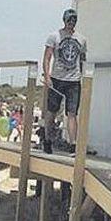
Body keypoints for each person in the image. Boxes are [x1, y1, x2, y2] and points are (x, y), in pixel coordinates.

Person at [43, 8, 87, 154]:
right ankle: (47, 139)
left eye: (74, 20)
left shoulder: (81, 39)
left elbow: (82, 59)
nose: (71, 23)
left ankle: (73, 144)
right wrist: (47, 76)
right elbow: (47, 57)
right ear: (64, 20)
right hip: (57, 78)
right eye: (69, 20)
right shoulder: (54, 36)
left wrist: (82, 74)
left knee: (72, 113)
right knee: (52, 111)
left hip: (73, 81)